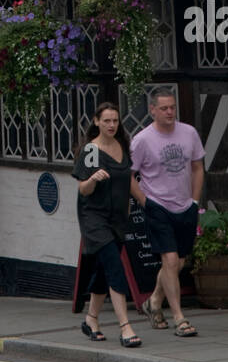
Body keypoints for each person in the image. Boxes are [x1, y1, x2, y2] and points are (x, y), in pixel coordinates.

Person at [129, 88, 205, 337]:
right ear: (152, 110)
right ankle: (179, 318)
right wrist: (145, 202)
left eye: (172, 107)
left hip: (184, 206)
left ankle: (153, 302)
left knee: (179, 262)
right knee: (170, 261)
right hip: (158, 206)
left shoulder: (189, 133)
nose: (170, 112)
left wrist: (194, 200)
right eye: (164, 108)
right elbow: (128, 176)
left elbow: (197, 167)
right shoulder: (142, 140)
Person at [72, 101, 147, 348]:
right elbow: (83, 189)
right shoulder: (92, 151)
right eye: (106, 121)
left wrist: (147, 204)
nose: (112, 125)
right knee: (115, 268)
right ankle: (125, 327)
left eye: (115, 120)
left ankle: (91, 319)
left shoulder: (122, 146)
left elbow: (128, 179)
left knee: (104, 270)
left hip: (117, 219)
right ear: (96, 122)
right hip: (94, 218)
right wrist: (93, 177)